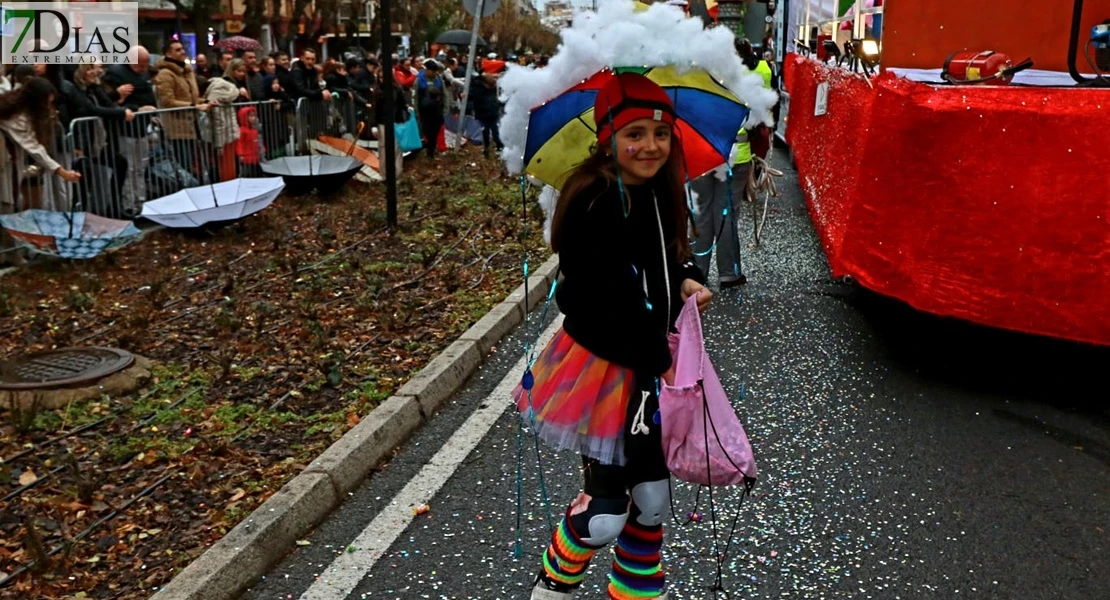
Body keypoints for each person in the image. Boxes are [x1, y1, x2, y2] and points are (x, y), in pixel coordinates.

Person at [518, 72, 711, 600]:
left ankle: (635, 593)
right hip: (606, 369)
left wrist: (691, 273)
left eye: (661, 133)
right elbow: (581, 301)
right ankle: (551, 589)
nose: (650, 146)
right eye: (634, 134)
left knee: (651, 500)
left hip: (653, 366)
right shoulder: (593, 200)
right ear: (607, 138)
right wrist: (653, 357)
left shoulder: (657, 190)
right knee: (605, 515)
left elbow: (674, 249)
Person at [154, 40, 211, 180]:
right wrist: (194, 106)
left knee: (191, 163)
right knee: (182, 164)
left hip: (192, 125)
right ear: (169, 53)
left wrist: (206, 102)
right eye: (178, 50)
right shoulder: (165, 74)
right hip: (176, 128)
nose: (183, 52)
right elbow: (167, 101)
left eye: (183, 49)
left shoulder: (187, 71)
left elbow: (193, 97)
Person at [235, 106, 264, 177]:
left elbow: (259, 141)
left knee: (257, 173)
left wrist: (262, 149)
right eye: (250, 116)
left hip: (256, 157)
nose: (253, 118)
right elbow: (239, 143)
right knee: (248, 174)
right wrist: (241, 154)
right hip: (247, 158)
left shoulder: (254, 129)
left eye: (254, 116)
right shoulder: (242, 130)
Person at [418, 86, 444, 159]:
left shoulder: (424, 101)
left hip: (425, 123)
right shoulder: (435, 104)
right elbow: (438, 116)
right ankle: (430, 155)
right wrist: (441, 121)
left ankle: (429, 153)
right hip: (434, 125)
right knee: (432, 141)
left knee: (429, 139)